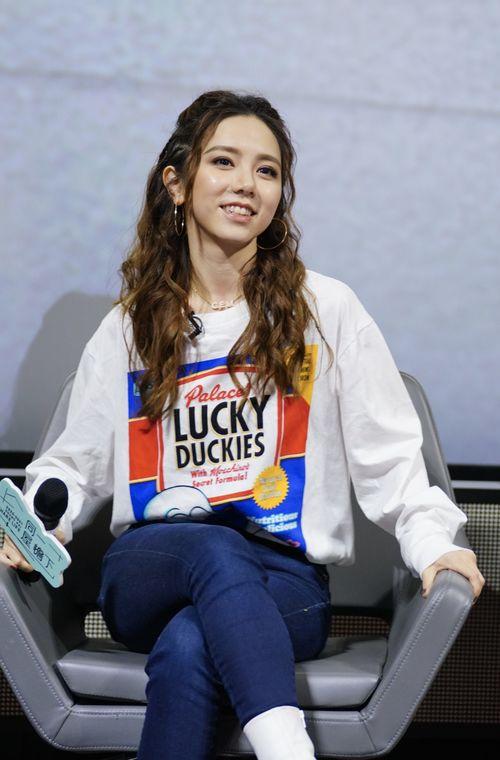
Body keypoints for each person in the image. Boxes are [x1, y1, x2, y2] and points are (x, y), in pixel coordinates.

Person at [0, 90, 485, 760]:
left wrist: (434, 544)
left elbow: (392, 460)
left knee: (190, 644)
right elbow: (70, 467)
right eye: (224, 161)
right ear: (177, 183)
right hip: (152, 567)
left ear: (280, 195)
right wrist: (34, 524)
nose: (246, 184)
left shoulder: (326, 310)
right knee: (210, 546)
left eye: (267, 170)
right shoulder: (130, 327)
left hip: (284, 582)